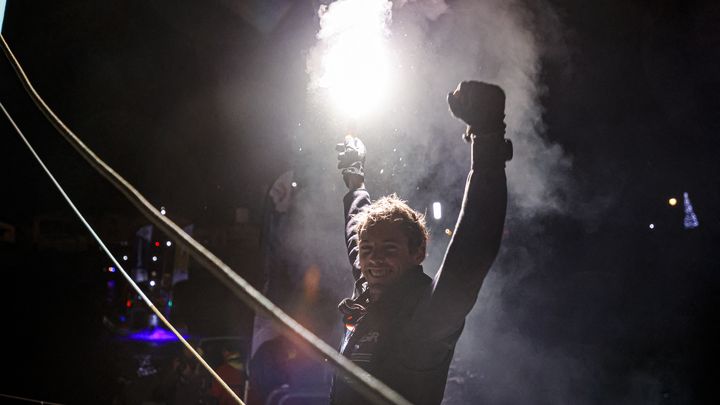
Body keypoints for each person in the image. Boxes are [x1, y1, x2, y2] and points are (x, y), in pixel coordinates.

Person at [330, 80, 513, 405]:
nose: (372, 260)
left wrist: (487, 140)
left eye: (389, 250)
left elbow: (473, 250)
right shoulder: (372, 290)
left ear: (418, 252)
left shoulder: (427, 313)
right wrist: (355, 177)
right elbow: (356, 234)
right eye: (368, 250)